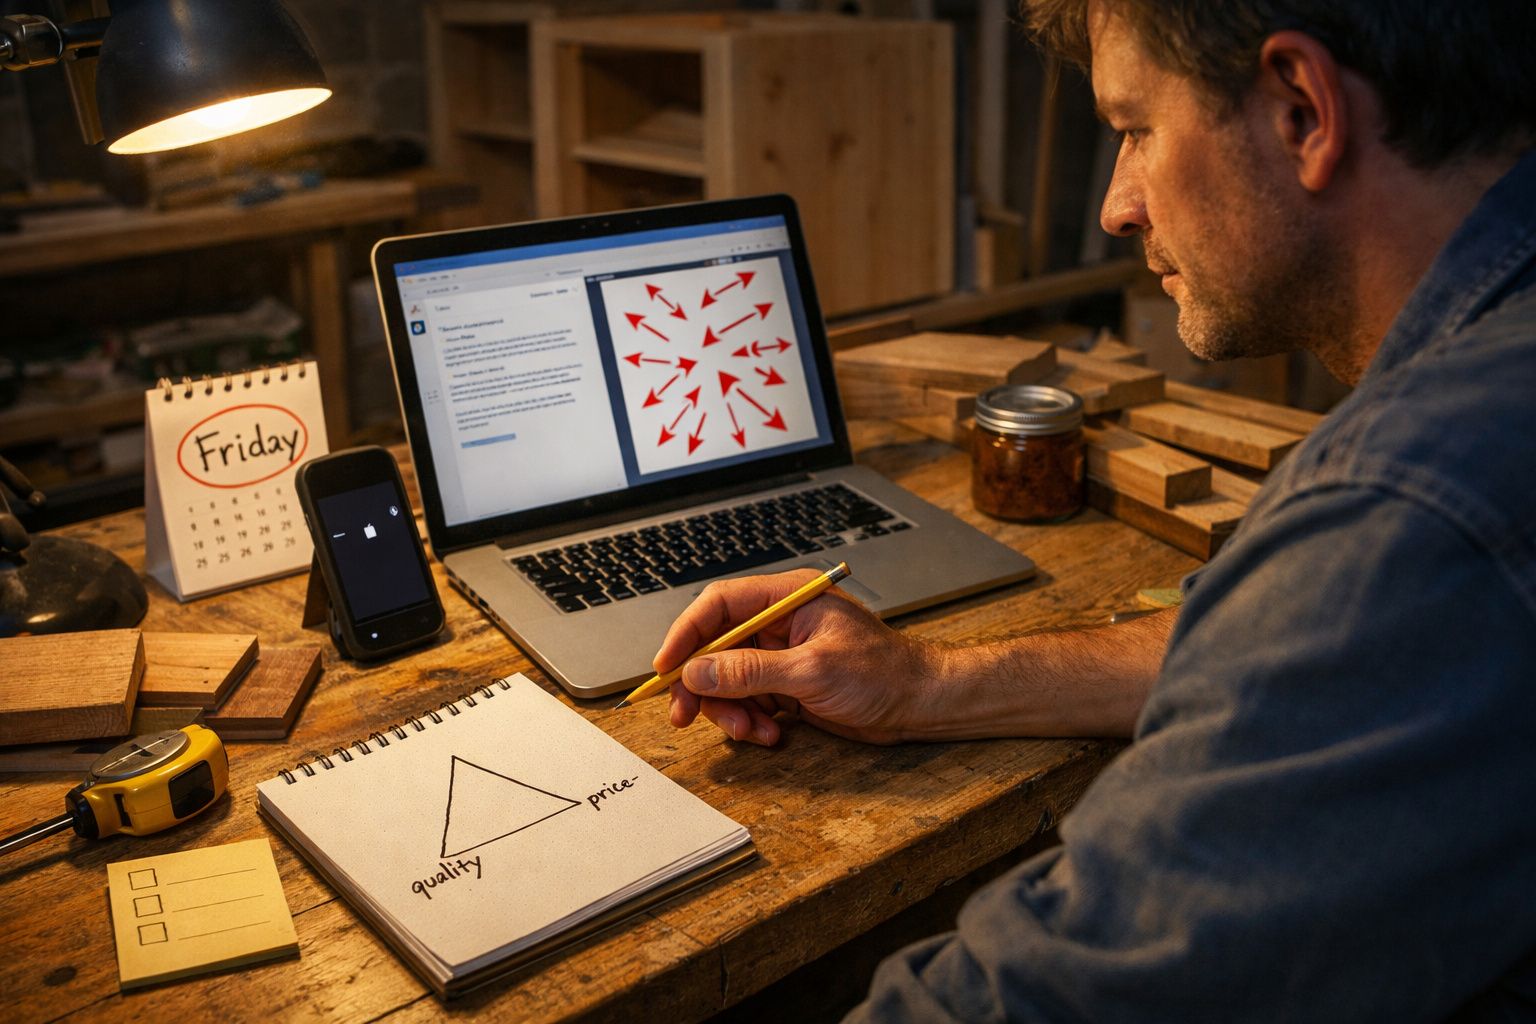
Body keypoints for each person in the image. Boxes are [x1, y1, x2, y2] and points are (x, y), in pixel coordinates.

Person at [653, 0, 1536, 1018]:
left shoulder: (1415, 515)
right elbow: (1261, 648)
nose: (1117, 205)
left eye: (1135, 128)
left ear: (1303, 110)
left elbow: (1043, 996)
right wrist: (925, 684)